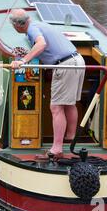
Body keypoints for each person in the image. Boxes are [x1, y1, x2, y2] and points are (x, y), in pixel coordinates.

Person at [9, 9, 85, 160]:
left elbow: (41, 44)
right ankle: (70, 139)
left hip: (65, 65)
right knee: (69, 104)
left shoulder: (32, 29)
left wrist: (23, 61)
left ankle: (57, 149)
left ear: (17, 25)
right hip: (78, 60)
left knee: (56, 107)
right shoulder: (40, 24)